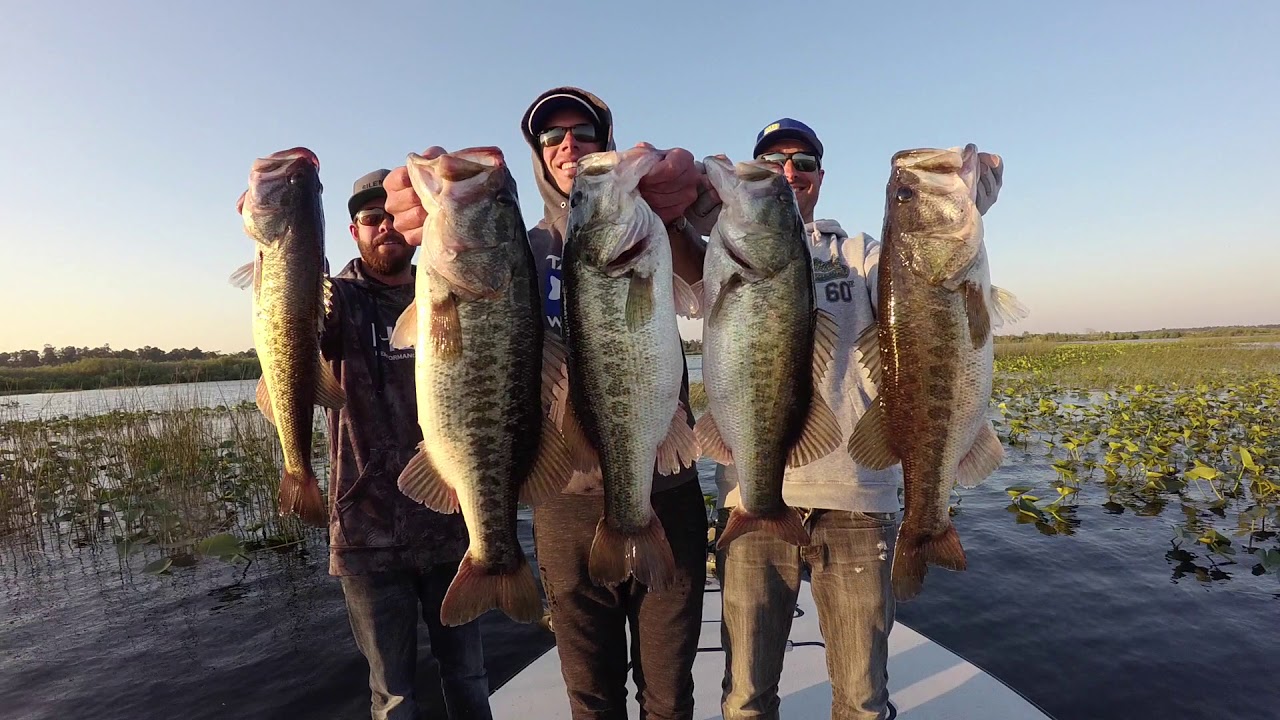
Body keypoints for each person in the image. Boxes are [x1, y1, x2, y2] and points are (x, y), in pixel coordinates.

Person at [382, 86, 711, 720]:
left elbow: (711, 289)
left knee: (669, 692)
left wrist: (687, 200)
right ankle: (495, 565)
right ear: (538, 158)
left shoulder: (652, 232)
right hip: (562, 500)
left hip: (663, 486)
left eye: (583, 133)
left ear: (606, 146)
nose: (568, 145)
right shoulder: (521, 249)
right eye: (552, 136)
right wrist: (423, 212)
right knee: (590, 696)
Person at [699, 119, 1004, 720]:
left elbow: (924, 271)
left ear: (819, 178)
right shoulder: (724, 245)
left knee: (864, 700)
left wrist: (975, 188)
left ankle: (928, 527)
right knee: (744, 698)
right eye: (773, 161)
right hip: (754, 500)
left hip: (858, 498)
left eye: (804, 163)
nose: (790, 172)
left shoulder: (864, 254)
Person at [316, 169, 492, 720]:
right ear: (354, 232)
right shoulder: (337, 301)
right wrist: (278, 237)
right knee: (393, 697)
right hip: (366, 534)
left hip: (451, 527)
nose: (386, 227)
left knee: (468, 677)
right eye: (373, 219)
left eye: (396, 215)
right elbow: (298, 321)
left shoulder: (447, 287)